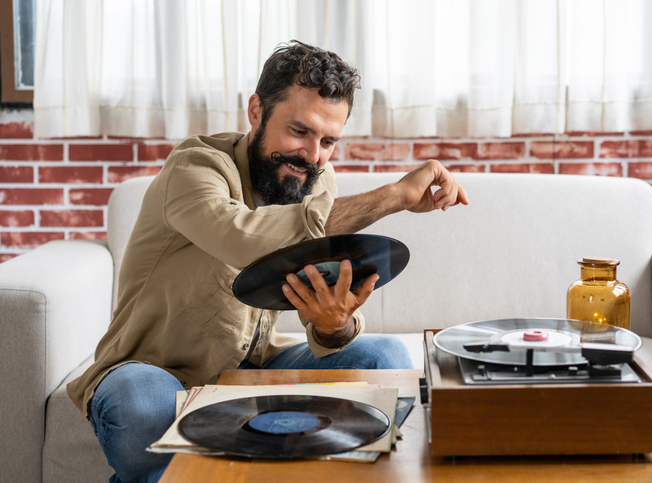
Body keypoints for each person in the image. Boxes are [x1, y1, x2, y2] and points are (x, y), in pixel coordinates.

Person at [68, 40, 468, 483]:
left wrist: (332, 326)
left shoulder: (316, 179)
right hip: (155, 373)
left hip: (252, 370)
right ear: (256, 110)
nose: (313, 156)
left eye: (328, 141)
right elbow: (244, 239)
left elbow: (310, 279)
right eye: (300, 131)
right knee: (141, 402)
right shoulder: (194, 168)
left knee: (385, 356)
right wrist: (395, 196)